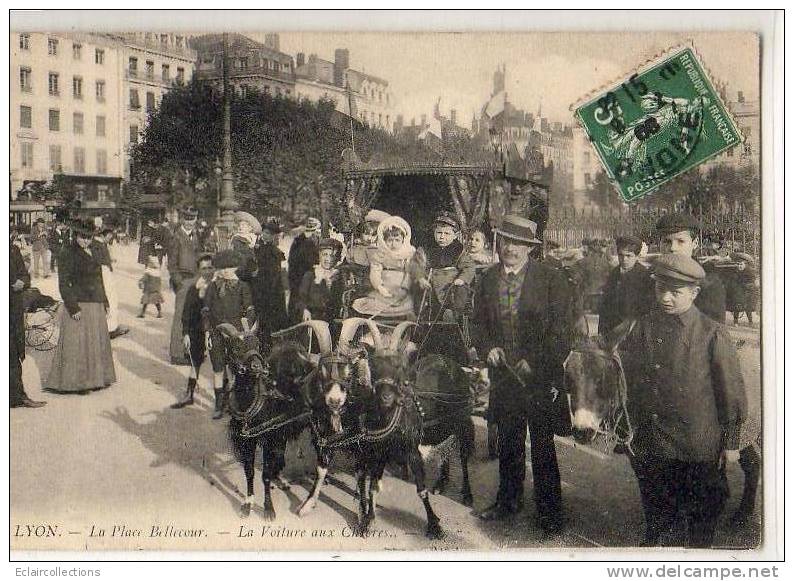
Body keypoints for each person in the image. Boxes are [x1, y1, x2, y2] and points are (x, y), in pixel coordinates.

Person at [622, 253, 747, 547]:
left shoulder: (711, 333)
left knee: (701, 513)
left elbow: (731, 392)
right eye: (660, 289)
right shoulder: (642, 327)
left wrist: (730, 442)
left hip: (696, 444)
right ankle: (656, 545)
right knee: (657, 505)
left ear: (694, 293)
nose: (665, 297)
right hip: (653, 441)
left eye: (675, 292)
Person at [474, 215, 571, 535]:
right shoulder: (487, 280)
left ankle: (550, 512)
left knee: (543, 444)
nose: (510, 249)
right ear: (498, 243)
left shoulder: (552, 279)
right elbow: (478, 324)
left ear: (530, 248)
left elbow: (561, 332)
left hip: (539, 377)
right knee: (509, 440)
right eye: (506, 242)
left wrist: (535, 360)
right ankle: (508, 500)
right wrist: (488, 347)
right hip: (504, 376)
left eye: (519, 244)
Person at [43, 219, 116, 394]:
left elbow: (99, 279)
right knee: (78, 345)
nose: (86, 241)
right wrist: (72, 307)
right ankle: (77, 383)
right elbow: (63, 284)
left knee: (95, 344)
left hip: (96, 303)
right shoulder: (67, 252)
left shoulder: (95, 251)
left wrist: (105, 301)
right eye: (82, 237)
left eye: (89, 238)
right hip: (79, 303)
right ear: (75, 235)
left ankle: (96, 379)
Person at [203, 250, 257, 419]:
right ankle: (219, 404)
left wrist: (245, 327)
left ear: (236, 268)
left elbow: (249, 309)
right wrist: (206, 332)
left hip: (236, 334)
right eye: (222, 268)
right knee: (218, 368)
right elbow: (205, 311)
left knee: (236, 368)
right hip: (216, 331)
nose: (226, 271)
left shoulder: (242, 286)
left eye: (230, 267)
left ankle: (234, 402)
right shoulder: (213, 287)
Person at [655, 213, 727, 323]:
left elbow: (711, 331)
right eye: (666, 241)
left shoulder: (708, 283)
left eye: (681, 241)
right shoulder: (649, 277)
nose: (673, 248)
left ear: (695, 243)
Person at [351, 216, 425, 320]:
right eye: (390, 240)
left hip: (402, 287)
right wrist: (379, 286)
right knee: (376, 304)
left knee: (407, 306)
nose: (393, 244)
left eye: (397, 240)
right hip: (385, 286)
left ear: (403, 240)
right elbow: (375, 272)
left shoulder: (408, 254)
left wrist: (410, 284)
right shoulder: (380, 255)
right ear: (384, 240)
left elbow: (412, 270)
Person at [171, 254, 215, 409]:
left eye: (210, 267)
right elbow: (187, 313)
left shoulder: (218, 284)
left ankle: (224, 399)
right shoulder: (193, 288)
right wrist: (186, 334)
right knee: (195, 360)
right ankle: (189, 394)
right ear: (198, 270)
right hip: (198, 328)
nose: (207, 271)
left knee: (221, 364)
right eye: (204, 268)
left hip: (215, 328)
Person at [239, 220, 287, 353]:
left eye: (270, 234)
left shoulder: (276, 253)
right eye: (265, 233)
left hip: (271, 293)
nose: (267, 236)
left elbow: (276, 276)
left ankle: (267, 351)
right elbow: (245, 271)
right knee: (254, 322)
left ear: (274, 236)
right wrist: (252, 274)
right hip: (256, 291)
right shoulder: (254, 250)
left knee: (269, 325)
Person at [419, 211, 476, 323]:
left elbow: (469, 267)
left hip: (450, 289)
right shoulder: (428, 250)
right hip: (432, 288)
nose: (442, 237)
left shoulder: (459, 251)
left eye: (447, 234)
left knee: (460, 292)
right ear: (434, 233)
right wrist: (421, 277)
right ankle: (422, 321)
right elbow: (420, 265)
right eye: (439, 233)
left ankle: (454, 316)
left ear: (455, 235)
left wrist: (461, 279)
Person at [10, 232, 46, 408]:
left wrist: (22, 283)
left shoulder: (13, 249)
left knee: (13, 352)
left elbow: (25, 275)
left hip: (13, 309)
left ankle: (17, 395)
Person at [598, 234, 654, 334]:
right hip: (611, 329)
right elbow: (605, 305)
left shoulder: (645, 277)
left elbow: (646, 309)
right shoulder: (613, 274)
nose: (624, 260)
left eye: (629, 256)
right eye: (621, 255)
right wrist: (602, 332)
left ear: (637, 256)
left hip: (634, 331)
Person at [168, 207, 202, 365]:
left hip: (194, 279)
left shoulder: (196, 235)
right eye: (187, 219)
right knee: (181, 316)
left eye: (192, 219)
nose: (189, 222)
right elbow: (172, 264)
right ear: (182, 219)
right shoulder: (177, 237)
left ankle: (189, 350)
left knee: (192, 315)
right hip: (183, 280)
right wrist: (178, 282)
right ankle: (177, 353)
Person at [294, 238, 344, 323]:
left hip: (331, 322)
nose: (328, 259)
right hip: (312, 321)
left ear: (337, 258)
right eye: (325, 254)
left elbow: (339, 301)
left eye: (332, 256)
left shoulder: (338, 277)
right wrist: (305, 310)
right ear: (319, 255)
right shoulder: (310, 275)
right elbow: (300, 299)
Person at [92, 228, 129, 339]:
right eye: (110, 236)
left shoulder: (99, 244)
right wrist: (107, 264)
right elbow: (99, 262)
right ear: (105, 235)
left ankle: (111, 327)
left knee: (111, 300)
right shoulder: (97, 245)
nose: (111, 238)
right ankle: (110, 329)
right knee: (110, 300)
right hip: (104, 275)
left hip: (105, 273)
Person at [287, 217, 321, 317]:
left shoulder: (298, 241)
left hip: (296, 277)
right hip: (302, 277)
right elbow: (311, 261)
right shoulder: (307, 243)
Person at [573, 238, 612, 313]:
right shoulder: (606, 263)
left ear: (589, 249)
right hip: (601, 296)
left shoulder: (582, 262)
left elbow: (575, 276)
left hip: (586, 298)